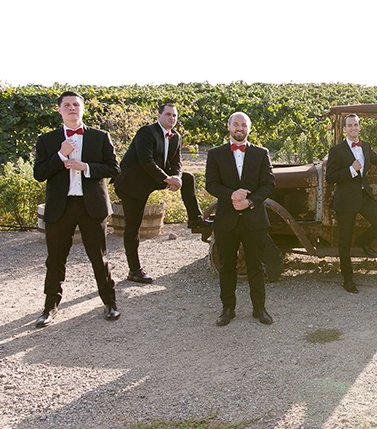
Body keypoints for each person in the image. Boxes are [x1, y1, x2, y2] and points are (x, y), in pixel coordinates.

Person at [33, 91, 120, 327]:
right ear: (60, 110)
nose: (72, 108)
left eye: (76, 105)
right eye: (67, 105)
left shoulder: (100, 137)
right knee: (55, 259)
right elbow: (39, 174)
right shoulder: (47, 140)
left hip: (91, 206)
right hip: (61, 207)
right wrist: (61, 154)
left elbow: (114, 168)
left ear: (82, 109)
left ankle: (109, 303)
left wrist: (86, 167)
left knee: (98, 258)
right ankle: (50, 307)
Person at [114, 102, 212, 284]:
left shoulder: (176, 137)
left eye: (174, 116)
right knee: (133, 227)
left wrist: (176, 176)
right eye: (168, 115)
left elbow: (177, 161)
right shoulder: (146, 132)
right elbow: (146, 161)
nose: (171, 119)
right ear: (159, 116)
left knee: (188, 178)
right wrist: (168, 179)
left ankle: (194, 218)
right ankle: (134, 270)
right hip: (133, 182)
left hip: (154, 177)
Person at [205, 112, 276, 327]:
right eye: (236, 124)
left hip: (254, 220)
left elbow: (269, 184)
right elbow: (211, 183)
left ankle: (259, 309)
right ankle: (228, 309)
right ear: (228, 126)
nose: (239, 128)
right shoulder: (215, 154)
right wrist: (230, 195)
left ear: (249, 128)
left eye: (243, 125)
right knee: (227, 266)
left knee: (256, 265)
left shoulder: (261, 153)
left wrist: (250, 202)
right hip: (227, 220)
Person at [325, 113, 377, 293]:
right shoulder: (336, 151)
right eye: (350, 125)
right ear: (344, 129)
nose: (353, 128)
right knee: (344, 242)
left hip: (364, 197)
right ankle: (348, 279)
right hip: (345, 201)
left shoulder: (366, 146)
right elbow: (330, 178)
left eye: (356, 125)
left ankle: (363, 240)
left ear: (360, 127)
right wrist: (351, 170)